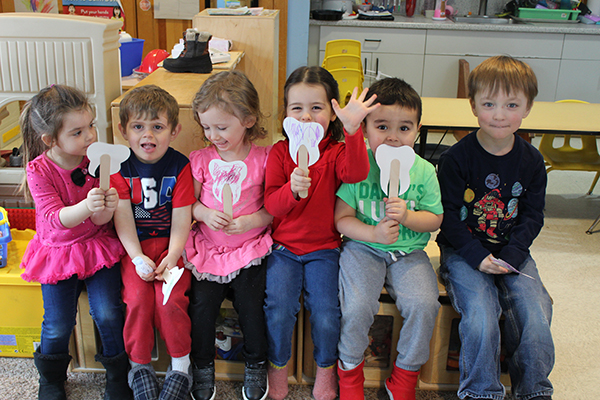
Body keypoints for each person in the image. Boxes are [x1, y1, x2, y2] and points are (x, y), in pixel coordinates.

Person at [436, 55, 554, 400]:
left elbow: (533, 215)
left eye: (511, 104)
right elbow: (447, 215)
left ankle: (533, 392)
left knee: (537, 312)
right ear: (473, 106)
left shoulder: (532, 161)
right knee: (483, 314)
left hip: (513, 251)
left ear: (528, 107)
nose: (499, 115)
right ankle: (482, 393)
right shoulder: (455, 159)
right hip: (464, 251)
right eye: (489, 104)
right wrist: (478, 256)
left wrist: (513, 255)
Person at [263, 66, 379, 400]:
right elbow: (272, 204)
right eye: (296, 108)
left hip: (325, 249)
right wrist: (291, 190)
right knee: (279, 308)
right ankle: (278, 367)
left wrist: (354, 131)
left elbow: (356, 173)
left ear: (332, 112)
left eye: (316, 108)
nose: (306, 116)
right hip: (283, 248)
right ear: (285, 113)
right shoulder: (279, 153)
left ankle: (326, 370)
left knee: (328, 313)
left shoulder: (336, 152)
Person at [334, 77, 444, 400]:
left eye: (404, 129)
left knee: (425, 305)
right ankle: (350, 373)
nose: (394, 138)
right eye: (382, 127)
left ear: (418, 130)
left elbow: (435, 219)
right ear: (365, 128)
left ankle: (405, 377)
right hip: (362, 247)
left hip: (408, 252)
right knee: (355, 306)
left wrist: (408, 217)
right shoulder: (359, 167)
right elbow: (341, 219)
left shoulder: (423, 172)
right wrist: (373, 232)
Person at [19, 84, 130, 400]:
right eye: (78, 132)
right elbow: (55, 218)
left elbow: (99, 221)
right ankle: (51, 379)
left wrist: (105, 207)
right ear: (50, 140)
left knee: (108, 312)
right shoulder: (38, 170)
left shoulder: (96, 161)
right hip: (57, 252)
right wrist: (87, 206)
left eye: (91, 126)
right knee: (57, 322)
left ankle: (117, 376)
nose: (91, 137)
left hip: (95, 245)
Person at [184, 71, 272, 400]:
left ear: (248, 119)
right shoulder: (201, 160)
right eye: (207, 127)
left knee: (252, 308)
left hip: (249, 248)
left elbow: (274, 209)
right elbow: (187, 205)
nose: (213, 135)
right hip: (208, 251)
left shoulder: (264, 159)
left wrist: (251, 221)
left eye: (221, 128)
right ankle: (202, 365)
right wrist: (204, 213)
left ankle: (255, 364)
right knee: (202, 307)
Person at [111, 85, 196, 400]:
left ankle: (180, 368)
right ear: (124, 131)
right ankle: (140, 367)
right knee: (137, 300)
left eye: (157, 127)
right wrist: (136, 258)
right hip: (135, 249)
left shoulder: (180, 166)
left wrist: (172, 256)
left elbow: (181, 219)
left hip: (172, 248)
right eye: (138, 127)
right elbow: (123, 218)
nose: (148, 135)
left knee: (170, 301)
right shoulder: (119, 169)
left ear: (174, 130)